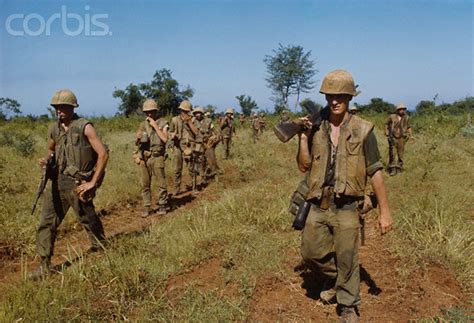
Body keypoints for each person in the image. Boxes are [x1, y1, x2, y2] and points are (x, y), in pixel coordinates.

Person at [296, 70, 394, 322]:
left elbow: (375, 171)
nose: (335, 101)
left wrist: (385, 211)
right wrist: (303, 139)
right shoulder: (317, 125)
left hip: (348, 206)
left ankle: (348, 305)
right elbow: (303, 166)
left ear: (350, 98)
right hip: (318, 203)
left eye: (341, 96)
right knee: (310, 253)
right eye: (330, 96)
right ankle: (337, 278)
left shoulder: (363, 130)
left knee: (348, 257)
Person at [29, 89, 108, 279]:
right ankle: (44, 264)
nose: (59, 111)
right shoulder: (53, 128)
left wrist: (92, 183)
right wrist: (45, 160)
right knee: (46, 223)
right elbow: (51, 149)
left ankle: (101, 248)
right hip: (57, 182)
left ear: (73, 107)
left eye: (63, 107)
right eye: (57, 107)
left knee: (87, 218)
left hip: (78, 183)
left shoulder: (84, 127)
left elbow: (103, 154)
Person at [134, 99, 169, 217]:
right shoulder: (143, 125)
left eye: (151, 112)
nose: (149, 114)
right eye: (147, 112)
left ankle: (162, 204)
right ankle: (147, 206)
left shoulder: (163, 123)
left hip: (157, 156)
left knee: (161, 182)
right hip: (145, 157)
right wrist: (138, 139)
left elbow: (165, 139)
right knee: (144, 183)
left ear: (156, 111)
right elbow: (137, 142)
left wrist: (155, 126)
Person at [169, 100, 199, 194]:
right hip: (177, 146)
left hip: (189, 146)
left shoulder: (193, 121)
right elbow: (169, 132)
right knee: (177, 169)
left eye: (187, 111)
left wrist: (189, 122)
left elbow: (197, 133)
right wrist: (173, 135)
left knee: (191, 168)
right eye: (183, 111)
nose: (185, 113)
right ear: (180, 110)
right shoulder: (174, 120)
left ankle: (194, 187)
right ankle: (177, 189)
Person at [384, 103, 412, 176]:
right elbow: (386, 124)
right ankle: (392, 169)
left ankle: (399, 168)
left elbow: (409, 127)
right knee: (392, 153)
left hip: (402, 138)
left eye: (403, 109)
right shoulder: (392, 117)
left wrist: (411, 135)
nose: (402, 111)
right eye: (400, 109)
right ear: (397, 110)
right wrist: (386, 132)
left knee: (401, 154)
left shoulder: (407, 118)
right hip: (392, 137)